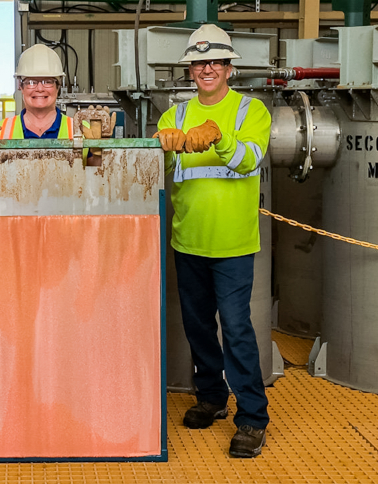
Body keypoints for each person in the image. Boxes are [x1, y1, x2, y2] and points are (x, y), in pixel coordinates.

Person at [153, 24, 271, 458]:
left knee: (237, 329)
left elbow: (250, 160)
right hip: (188, 241)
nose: (207, 68)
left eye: (215, 61)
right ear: (191, 70)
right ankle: (212, 398)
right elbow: (154, 166)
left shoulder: (250, 112)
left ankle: (253, 419)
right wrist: (157, 145)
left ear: (228, 68)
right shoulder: (174, 116)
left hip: (234, 245)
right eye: (199, 62)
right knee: (198, 326)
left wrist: (220, 140)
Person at [0, 44, 73, 139]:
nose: (39, 89)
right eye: (31, 82)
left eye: (47, 82)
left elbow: (95, 154)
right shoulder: (0, 130)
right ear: (20, 86)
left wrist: (96, 150)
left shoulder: (80, 129)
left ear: (58, 86)